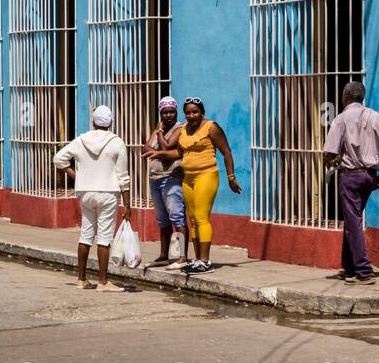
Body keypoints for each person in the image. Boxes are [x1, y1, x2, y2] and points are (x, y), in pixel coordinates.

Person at [143, 97, 240, 274]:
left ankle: (205, 260)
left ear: (201, 112)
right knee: (193, 219)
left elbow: (226, 152)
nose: (191, 115)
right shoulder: (185, 130)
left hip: (207, 175)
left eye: (195, 111)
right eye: (188, 112)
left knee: (202, 217)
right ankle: (197, 260)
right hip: (188, 178)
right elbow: (179, 152)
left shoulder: (211, 127)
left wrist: (231, 177)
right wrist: (159, 153)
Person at [54, 105, 131, 292]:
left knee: (86, 235)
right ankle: (103, 282)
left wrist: (76, 176)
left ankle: (81, 279)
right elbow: (123, 176)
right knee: (104, 238)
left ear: (93, 122)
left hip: (86, 193)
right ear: (111, 122)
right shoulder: (117, 142)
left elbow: (58, 159)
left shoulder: (81, 140)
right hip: (108, 193)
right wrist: (127, 203)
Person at [322, 81, 379, 284]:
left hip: (351, 176)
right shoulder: (376, 116)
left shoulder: (340, 119)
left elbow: (329, 152)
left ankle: (364, 270)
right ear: (362, 97)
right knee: (352, 220)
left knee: (353, 222)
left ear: (345, 96)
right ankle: (349, 266)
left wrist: (330, 161)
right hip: (370, 175)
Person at [144, 96, 186, 269]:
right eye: (165, 112)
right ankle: (163, 255)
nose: (168, 115)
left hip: (172, 177)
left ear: (176, 112)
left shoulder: (180, 128)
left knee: (177, 217)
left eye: (171, 112)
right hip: (155, 178)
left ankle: (183, 256)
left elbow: (168, 146)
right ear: (161, 113)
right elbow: (146, 147)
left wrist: (160, 135)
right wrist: (159, 150)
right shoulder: (158, 126)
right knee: (163, 220)